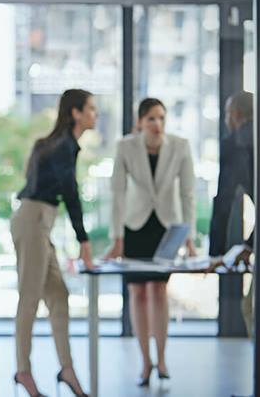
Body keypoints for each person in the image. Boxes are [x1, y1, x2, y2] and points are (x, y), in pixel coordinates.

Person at [105, 98, 196, 387]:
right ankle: (145, 363)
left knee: (159, 290)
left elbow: (188, 194)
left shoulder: (180, 146)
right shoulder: (125, 147)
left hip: (166, 227)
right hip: (135, 227)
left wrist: (189, 237)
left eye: (162, 119)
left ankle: (162, 358)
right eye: (152, 119)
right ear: (140, 122)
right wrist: (117, 238)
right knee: (138, 294)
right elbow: (117, 194)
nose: (158, 125)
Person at [11, 89, 96, 397]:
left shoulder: (52, 144)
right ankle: (23, 371)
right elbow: (70, 194)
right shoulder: (63, 147)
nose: (95, 115)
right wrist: (84, 242)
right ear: (75, 113)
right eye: (91, 109)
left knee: (58, 295)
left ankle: (67, 369)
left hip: (39, 222)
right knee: (30, 299)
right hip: (33, 220)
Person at [209, 91, 254, 256]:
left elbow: (224, 202)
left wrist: (214, 255)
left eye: (227, 113)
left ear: (236, 114)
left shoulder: (235, 143)